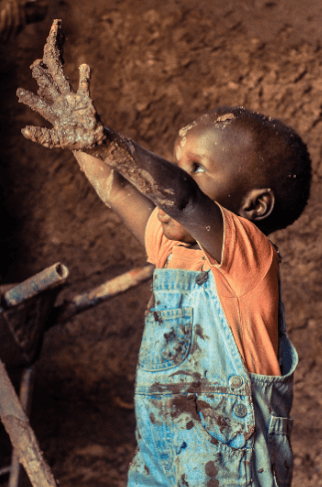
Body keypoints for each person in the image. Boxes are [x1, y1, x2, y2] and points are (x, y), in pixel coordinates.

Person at [17, 20, 311, 487]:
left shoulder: (248, 258)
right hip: (161, 459)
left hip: (233, 471)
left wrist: (107, 142)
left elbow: (183, 199)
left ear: (254, 206)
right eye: (178, 164)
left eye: (197, 168)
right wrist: (81, 138)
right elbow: (115, 187)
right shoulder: (170, 245)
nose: (176, 177)